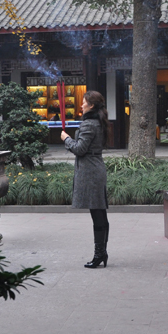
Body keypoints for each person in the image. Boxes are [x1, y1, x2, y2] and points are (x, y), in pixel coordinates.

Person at [61, 90, 110, 268]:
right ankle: (102, 253)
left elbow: (80, 149)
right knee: (100, 213)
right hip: (95, 169)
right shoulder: (98, 122)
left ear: (91, 105)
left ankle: (99, 255)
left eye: (83, 102)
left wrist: (66, 139)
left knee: (97, 214)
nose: (81, 105)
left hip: (90, 172)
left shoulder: (89, 124)